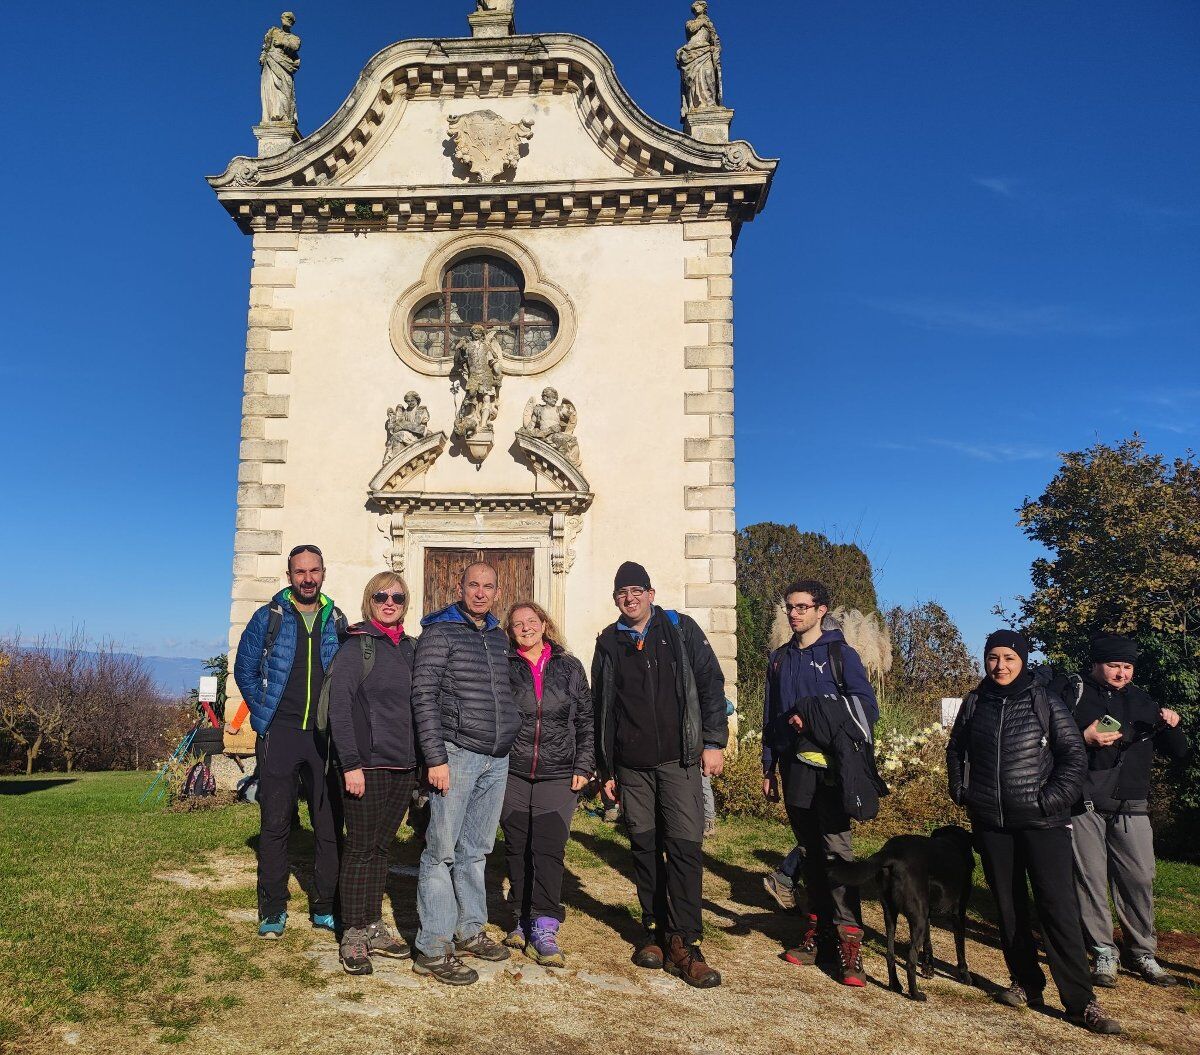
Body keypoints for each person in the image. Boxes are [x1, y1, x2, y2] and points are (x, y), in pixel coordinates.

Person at [947, 630, 1121, 1034]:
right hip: (992, 823)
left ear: (1022, 659)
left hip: (1043, 823)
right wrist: (961, 790)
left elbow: (1073, 755)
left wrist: (1051, 800)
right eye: (993, 657)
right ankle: (1026, 983)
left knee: (1057, 909)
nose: (1001, 665)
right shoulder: (976, 702)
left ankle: (1080, 1003)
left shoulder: (1044, 699)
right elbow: (956, 749)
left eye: (1009, 657)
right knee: (1009, 909)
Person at [591, 561, 727, 988]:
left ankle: (686, 941)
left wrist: (713, 741)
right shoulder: (609, 642)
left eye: (636, 590)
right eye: (621, 593)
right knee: (644, 849)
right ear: (616, 600)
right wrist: (606, 768)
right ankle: (653, 931)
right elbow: (603, 709)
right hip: (632, 766)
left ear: (650, 593)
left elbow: (710, 683)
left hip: (679, 761)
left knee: (685, 848)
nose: (629, 598)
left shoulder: (680, 630)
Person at [760, 580, 878, 986]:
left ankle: (850, 947)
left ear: (821, 610)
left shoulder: (839, 654)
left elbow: (867, 707)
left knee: (836, 852)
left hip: (832, 772)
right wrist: (767, 766)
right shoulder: (778, 659)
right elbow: (770, 716)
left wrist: (813, 714)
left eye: (803, 607)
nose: (794, 614)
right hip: (793, 769)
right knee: (810, 853)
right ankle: (817, 934)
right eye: (790, 607)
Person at [410, 562, 521, 985]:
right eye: (472, 585)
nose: (480, 592)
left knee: (477, 850)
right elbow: (423, 695)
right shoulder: (440, 632)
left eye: (488, 586)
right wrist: (435, 757)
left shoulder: (496, 635)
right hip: (455, 755)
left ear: (497, 591)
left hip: (496, 758)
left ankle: (470, 929)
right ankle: (433, 947)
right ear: (459, 587)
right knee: (440, 851)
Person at [232, 544, 345, 938]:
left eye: (314, 571)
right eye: (300, 572)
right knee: (275, 824)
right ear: (289, 576)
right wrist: (263, 713)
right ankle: (274, 909)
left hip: (323, 738)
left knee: (327, 826)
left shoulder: (338, 620)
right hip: (280, 734)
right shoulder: (269, 618)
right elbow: (244, 669)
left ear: (323, 573)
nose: (308, 578)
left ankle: (325, 906)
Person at [1071, 633, 1190, 989]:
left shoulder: (1143, 701)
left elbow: (1180, 754)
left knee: (1139, 878)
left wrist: (1173, 725)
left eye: (1127, 667)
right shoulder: (1075, 698)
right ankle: (1103, 951)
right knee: (1089, 879)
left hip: (1132, 803)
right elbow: (1052, 743)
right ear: (1096, 664)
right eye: (1114, 665)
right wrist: (1084, 738)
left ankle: (1142, 953)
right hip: (1085, 803)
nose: (1121, 673)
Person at [326, 572, 419, 975]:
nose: (389, 602)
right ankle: (354, 934)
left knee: (382, 849)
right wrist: (351, 764)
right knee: (361, 849)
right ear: (369, 600)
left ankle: (373, 924)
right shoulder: (356, 647)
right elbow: (340, 709)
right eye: (381, 596)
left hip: (403, 766)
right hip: (367, 765)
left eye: (397, 597)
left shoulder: (411, 649)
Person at [500, 601, 594, 967]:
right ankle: (522, 918)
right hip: (513, 771)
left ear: (544, 624)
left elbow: (586, 717)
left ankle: (544, 922)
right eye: (517, 624)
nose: (525, 628)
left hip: (558, 772)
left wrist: (584, 764)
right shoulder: (504, 666)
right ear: (510, 631)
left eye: (531, 621)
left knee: (549, 849)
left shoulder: (568, 667)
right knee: (517, 847)